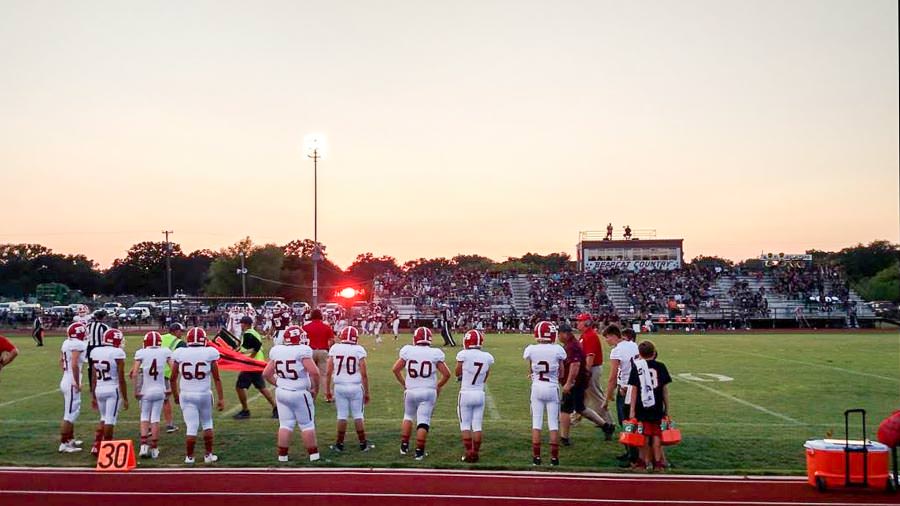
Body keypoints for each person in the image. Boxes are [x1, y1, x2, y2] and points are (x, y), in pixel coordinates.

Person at [263, 325, 322, 462]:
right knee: (306, 424)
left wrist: (279, 383)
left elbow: (266, 373)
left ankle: (282, 456)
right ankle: (314, 456)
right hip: (299, 392)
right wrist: (315, 389)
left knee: (285, 424)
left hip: (282, 392)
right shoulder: (303, 351)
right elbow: (314, 372)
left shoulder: (278, 351)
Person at [392, 327, 451, 460]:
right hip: (428, 391)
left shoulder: (408, 350)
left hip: (411, 390)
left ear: (415, 338)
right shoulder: (435, 353)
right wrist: (437, 386)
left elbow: (395, 369)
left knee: (408, 416)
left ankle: (404, 446)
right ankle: (419, 452)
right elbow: (447, 374)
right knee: (423, 420)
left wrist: (404, 384)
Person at [171, 327, 224, 464]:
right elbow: (217, 378)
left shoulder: (180, 353)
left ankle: (189, 457)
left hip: (186, 394)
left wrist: (176, 395)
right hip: (204, 393)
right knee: (207, 423)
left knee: (191, 426)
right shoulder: (209, 353)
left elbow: (173, 377)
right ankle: (208, 455)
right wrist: (221, 398)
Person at [557, 323, 608, 447]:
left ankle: (564, 437)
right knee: (581, 408)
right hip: (579, 381)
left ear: (564, 333)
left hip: (575, 382)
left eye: (559, 334)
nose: (558, 337)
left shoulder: (572, 346)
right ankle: (607, 426)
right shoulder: (572, 344)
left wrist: (569, 383)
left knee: (565, 409)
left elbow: (575, 365)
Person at [523, 321, 566, 466]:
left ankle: (536, 457)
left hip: (537, 387)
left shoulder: (531, 349)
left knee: (537, 422)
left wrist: (534, 375)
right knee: (553, 423)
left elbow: (530, 369)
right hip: (552, 387)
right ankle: (554, 459)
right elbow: (562, 372)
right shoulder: (558, 350)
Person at [325, 326, 373, 453]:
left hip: (339, 386)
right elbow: (364, 374)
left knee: (342, 415)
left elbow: (329, 371)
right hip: (356, 386)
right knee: (358, 415)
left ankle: (339, 444)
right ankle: (363, 444)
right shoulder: (359, 349)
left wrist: (327, 390)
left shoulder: (335, 348)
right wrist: (367, 392)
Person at [627, 340, 672, 471]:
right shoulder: (661, 366)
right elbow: (664, 390)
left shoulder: (637, 367)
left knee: (644, 434)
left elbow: (634, 390)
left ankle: (645, 462)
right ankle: (658, 462)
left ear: (640, 353)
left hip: (642, 404)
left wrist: (632, 409)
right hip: (657, 404)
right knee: (657, 434)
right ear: (654, 352)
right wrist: (667, 408)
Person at [601, 324, 640, 466]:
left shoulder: (616, 351)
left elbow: (612, 377)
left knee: (625, 423)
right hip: (638, 387)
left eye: (607, 337)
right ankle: (633, 453)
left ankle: (633, 456)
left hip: (625, 389)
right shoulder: (633, 345)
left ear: (613, 335)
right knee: (634, 422)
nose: (606, 341)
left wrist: (606, 398)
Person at [131, 331, 173, 459]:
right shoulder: (165, 351)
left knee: (144, 416)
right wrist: (170, 387)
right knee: (155, 418)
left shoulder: (141, 352)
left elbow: (134, 373)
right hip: (160, 390)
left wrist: (136, 390)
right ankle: (154, 448)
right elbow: (174, 369)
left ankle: (144, 446)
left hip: (146, 389)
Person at [455, 329, 494, 463]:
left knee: (465, 424)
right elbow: (486, 374)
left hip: (466, 392)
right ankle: (476, 453)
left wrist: (462, 376)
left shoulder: (463, 354)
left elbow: (457, 372)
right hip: (479, 393)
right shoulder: (487, 356)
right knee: (477, 425)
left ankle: (468, 453)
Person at [88, 328, 129, 456]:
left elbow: (93, 376)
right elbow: (121, 377)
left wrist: (93, 395)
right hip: (112, 388)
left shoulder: (96, 351)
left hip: (99, 388)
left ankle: (96, 445)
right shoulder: (117, 353)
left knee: (103, 418)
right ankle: (107, 447)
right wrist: (125, 397)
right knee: (110, 419)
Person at [576, 313, 616, 439]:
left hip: (591, 369)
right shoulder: (585, 335)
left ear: (587, 322)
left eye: (580, 321)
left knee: (596, 396)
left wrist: (586, 372)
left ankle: (609, 422)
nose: (577, 323)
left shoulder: (590, 336)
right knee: (584, 396)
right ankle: (574, 417)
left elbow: (590, 356)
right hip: (590, 368)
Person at [233, 315, 278, 419]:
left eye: (242, 323)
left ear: (246, 324)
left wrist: (250, 359)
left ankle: (245, 411)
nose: (241, 325)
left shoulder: (248, 333)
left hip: (251, 365)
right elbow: (246, 348)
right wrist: (237, 351)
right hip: (257, 364)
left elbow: (256, 346)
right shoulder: (253, 333)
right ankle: (276, 408)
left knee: (239, 387)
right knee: (262, 388)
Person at [58, 323, 87, 453]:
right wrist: (76, 380)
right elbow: (74, 364)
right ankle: (64, 444)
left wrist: (67, 374)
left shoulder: (66, 343)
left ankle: (70, 439)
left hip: (66, 378)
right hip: (71, 381)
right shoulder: (78, 344)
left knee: (73, 411)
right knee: (69, 414)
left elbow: (61, 361)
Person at [160, 323, 187, 432]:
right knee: (165, 400)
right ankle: (169, 424)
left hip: (150, 373)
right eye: (181, 331)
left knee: (149, 401)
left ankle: (147, 427)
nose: (181, 334)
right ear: (175, 331)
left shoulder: (160, 337)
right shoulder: (179, 342)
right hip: (166, 373)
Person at [302, 309, 335, 399]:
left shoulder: (306, 327)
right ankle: (327, 394)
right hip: (323, 350)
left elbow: (302, 340)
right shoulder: (326, 326)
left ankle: (311, 393)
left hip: (310, 351)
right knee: (324, 374)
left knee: (310, 374)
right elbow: (331, 340)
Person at [85, 310, 110, 398]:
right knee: (101, 366)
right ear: (103, 317)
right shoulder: (104, 326)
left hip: (90, 348)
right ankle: (101, 383)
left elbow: (86, 337)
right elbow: (107, 338)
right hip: (100, 348)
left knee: (91, 367)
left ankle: (92, 387)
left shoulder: (88, 326)